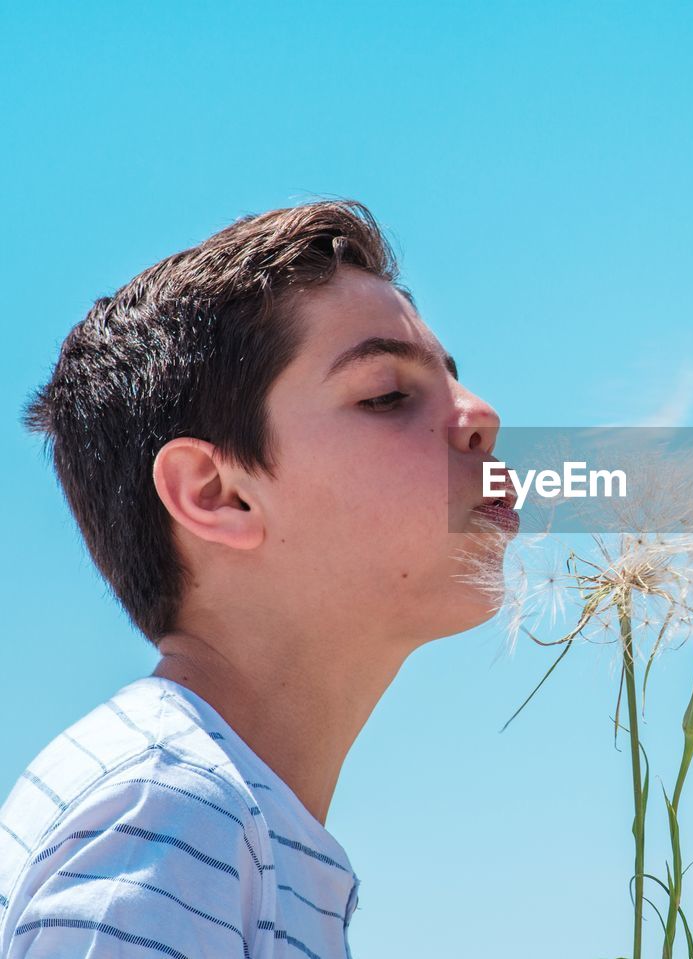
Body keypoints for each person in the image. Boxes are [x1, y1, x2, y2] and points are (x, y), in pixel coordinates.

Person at [0, 200, 518, 957]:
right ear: (219, 494)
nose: (481, 416)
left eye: (454, 380)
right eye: (386, 396)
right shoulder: (172, 811)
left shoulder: (213, 821)